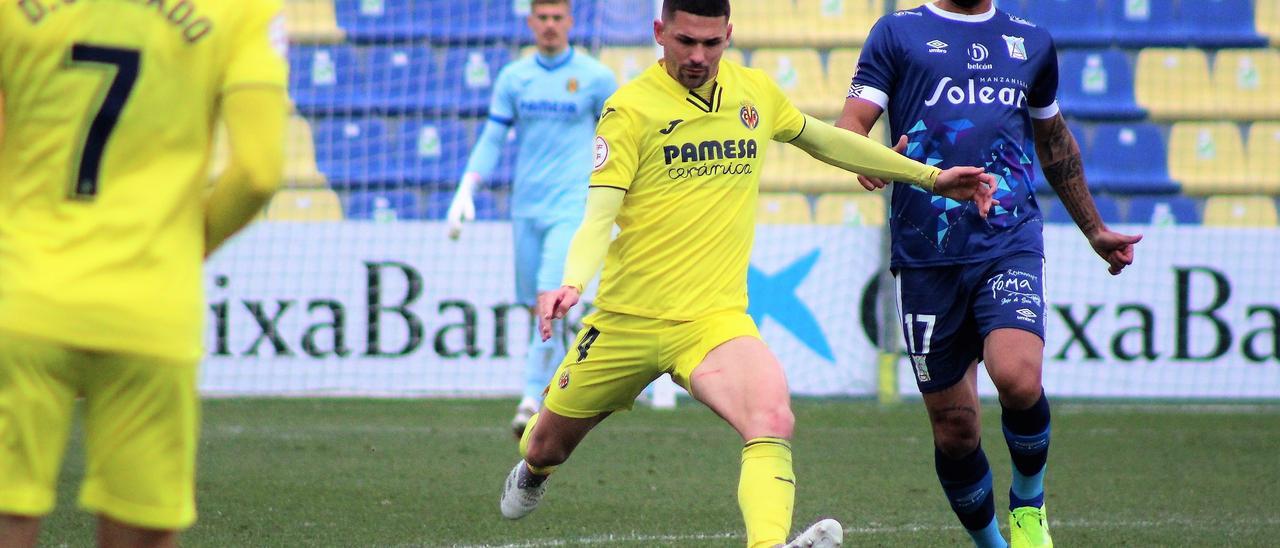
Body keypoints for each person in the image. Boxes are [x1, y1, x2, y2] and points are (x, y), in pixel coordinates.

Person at [497, 1, 998, 546]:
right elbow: (599, 213)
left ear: (729, 35)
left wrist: (928, 177)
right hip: (625, 322)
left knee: (772, 418)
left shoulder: (754, 92)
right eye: (686, 41)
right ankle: (534, 473)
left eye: (711, 43)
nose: (697, 56)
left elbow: (824, 138)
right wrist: (572, 281)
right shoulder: (628, 110)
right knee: (545, 445)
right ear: (659, 33)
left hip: (714, 323)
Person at [839, 1, 1143, 547]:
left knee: (1018, 377)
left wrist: (1094, 229)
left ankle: (1029, 501)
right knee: (956, 433)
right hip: (926, 253)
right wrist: (870, 156)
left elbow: (1053, 142)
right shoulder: (897, 32)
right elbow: (849, 127)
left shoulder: (1031, 42)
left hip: (1008, 239)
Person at [0, 1, 287, 546]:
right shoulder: (243, 9)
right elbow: (258, 171)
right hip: (151, 305)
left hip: (19, 298)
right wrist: (187, 244)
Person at [446, 0, 618, 438]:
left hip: (570, 207)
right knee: (537, 308)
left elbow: (618, 137)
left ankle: (528, 400)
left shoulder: (595, 78)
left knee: (546, 298)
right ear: (530, 22)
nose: (549, 25)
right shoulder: (514, 77)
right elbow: (492, 136)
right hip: (525, 209)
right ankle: (565, 387)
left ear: (569, 22)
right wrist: (468, 185)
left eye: (557, 18)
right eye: (542, 18)